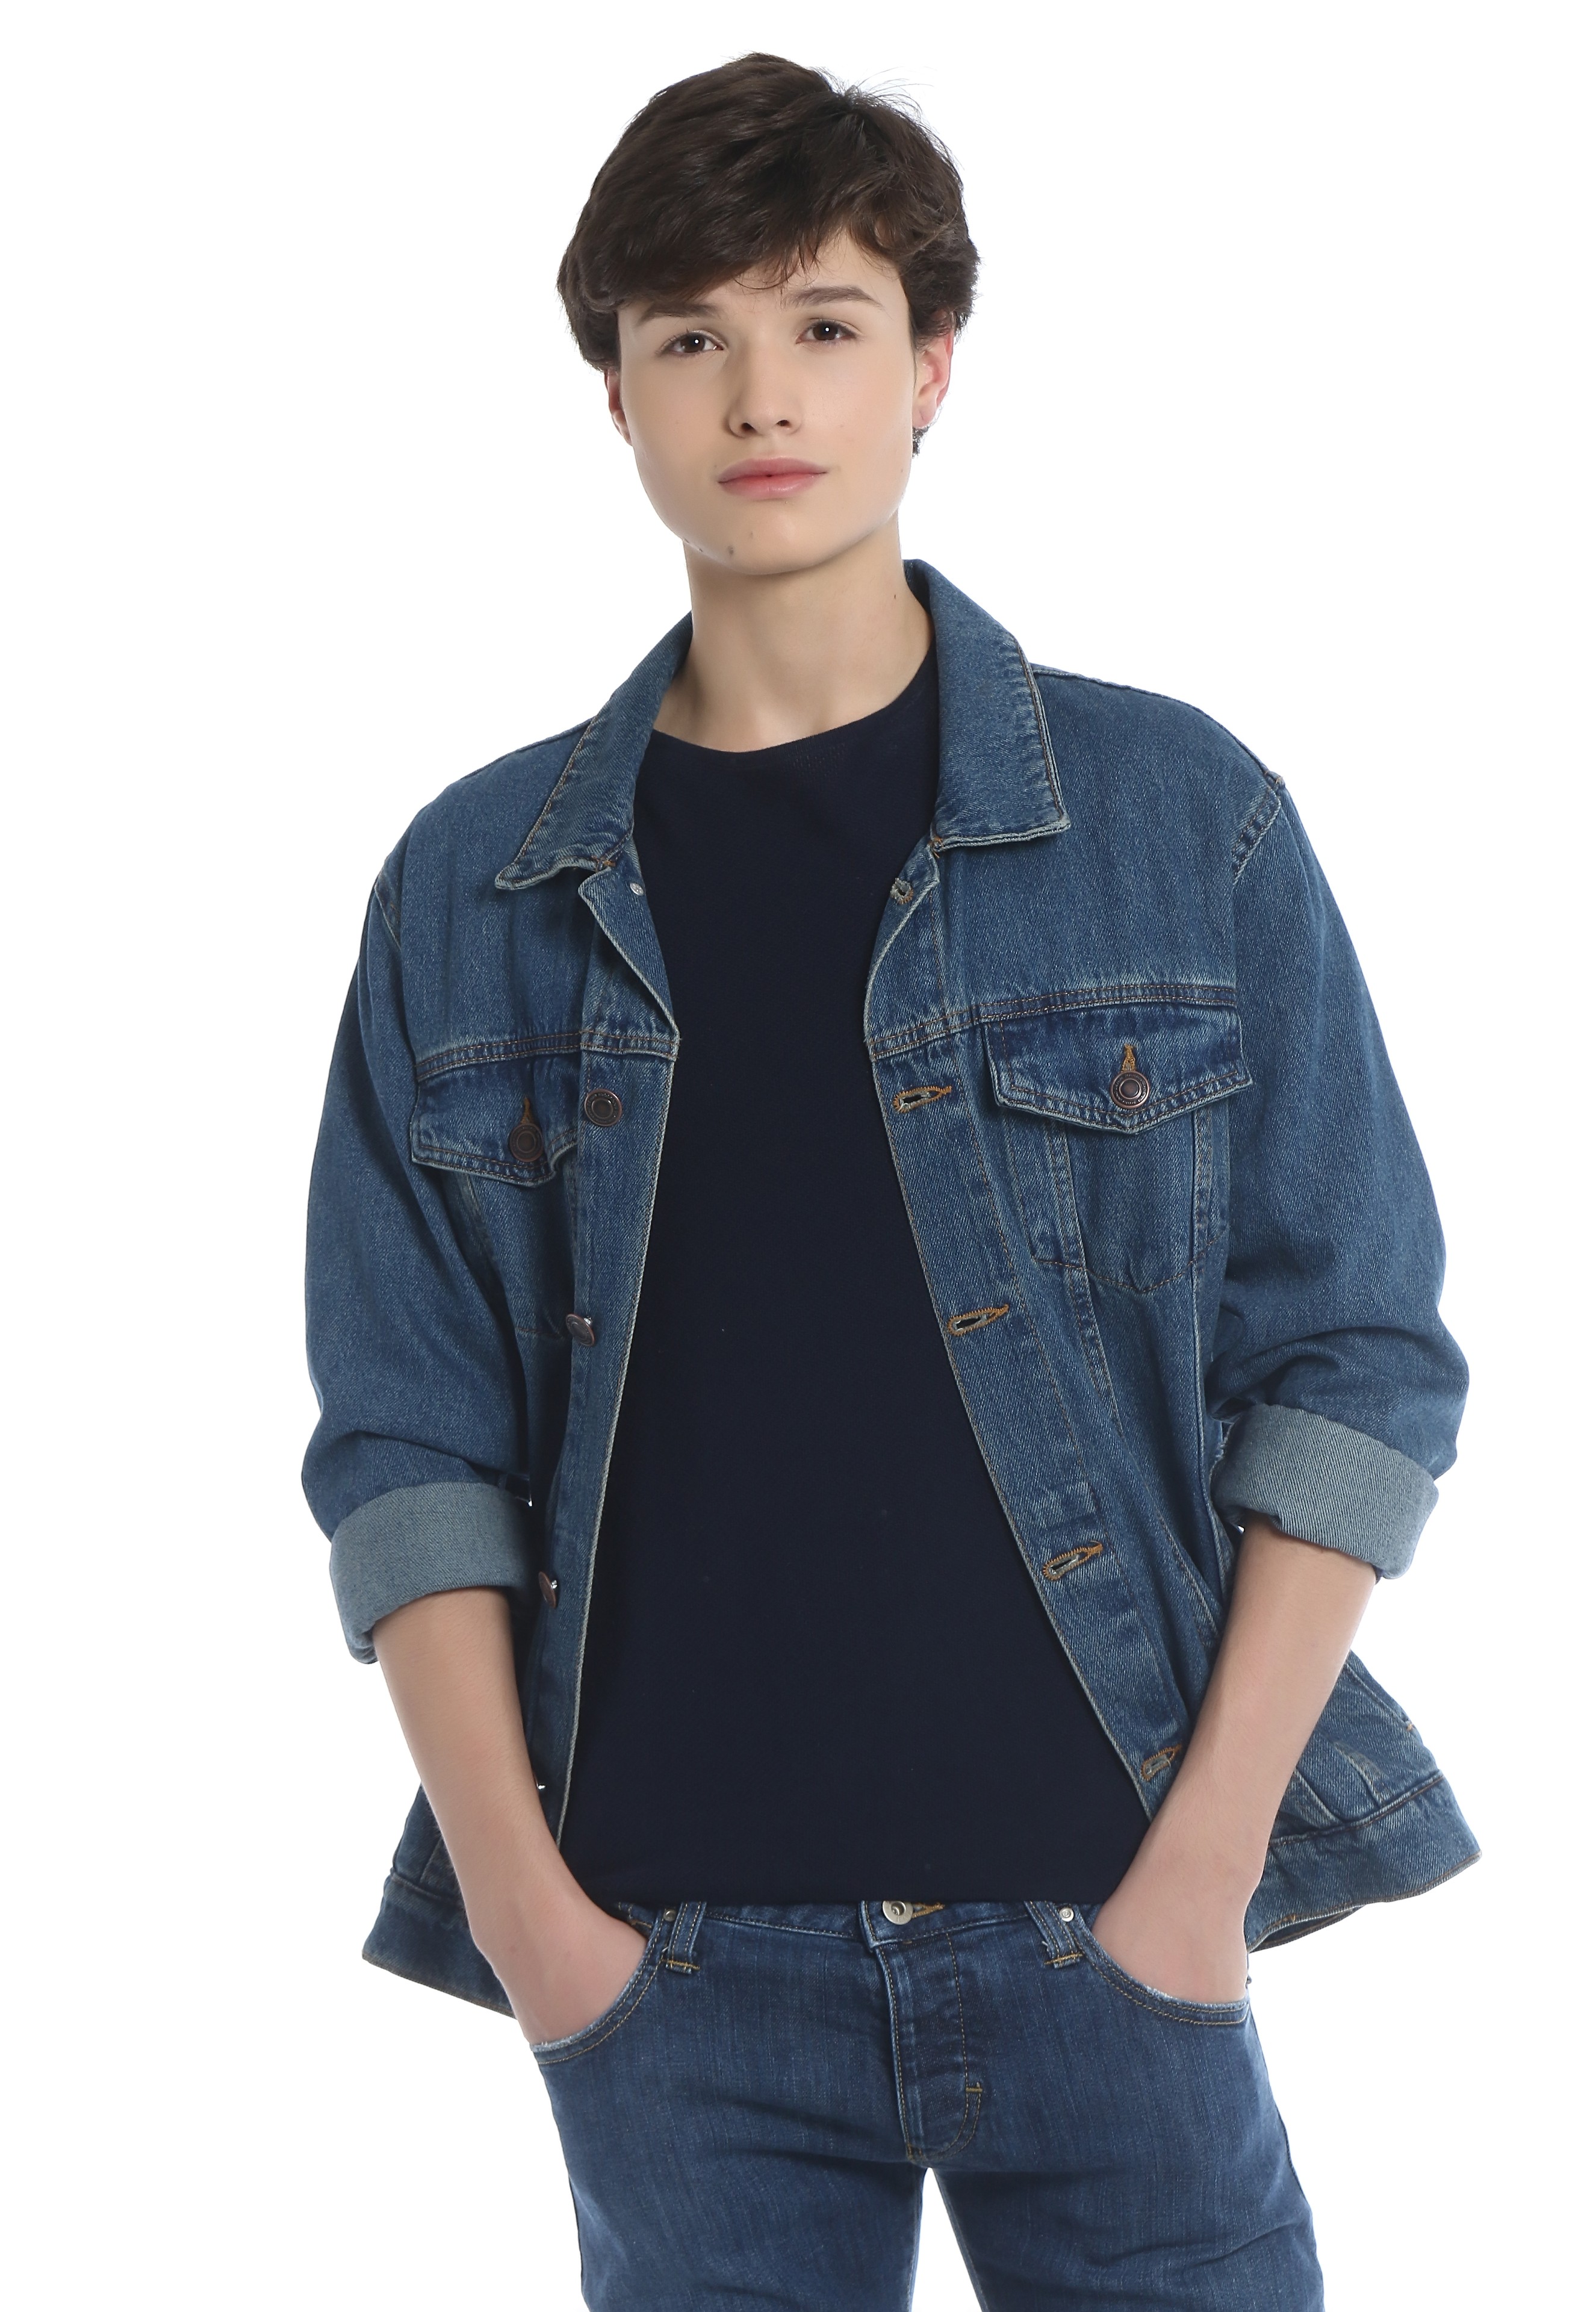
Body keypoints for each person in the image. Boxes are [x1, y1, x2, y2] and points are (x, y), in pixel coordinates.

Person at [303, 52, 1476, 2311]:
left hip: (1111, 1926)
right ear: (617, 394)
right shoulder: (473, 888)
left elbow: (1355, 1360)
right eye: (690, 334)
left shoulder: (1178, 820)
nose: (761, 392)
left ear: (931, 365)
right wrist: (537, 1927)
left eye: (824, 323)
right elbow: (407, 1446)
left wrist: (1197, 1877)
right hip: (665, 1972)